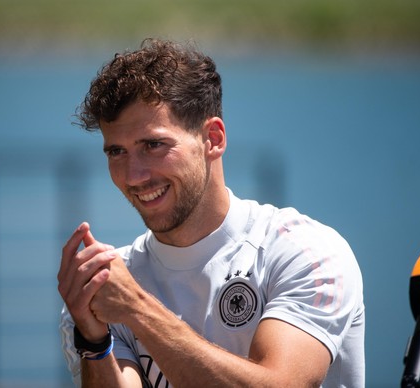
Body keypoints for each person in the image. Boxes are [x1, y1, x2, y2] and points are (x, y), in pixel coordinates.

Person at [58, 38, 365, 387]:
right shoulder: (112, 285)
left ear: (213, 139)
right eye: (116, 152)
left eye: (153, 145)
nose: (134, 176)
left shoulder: (304, 252)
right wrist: (94, 342)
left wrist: (139, 309)